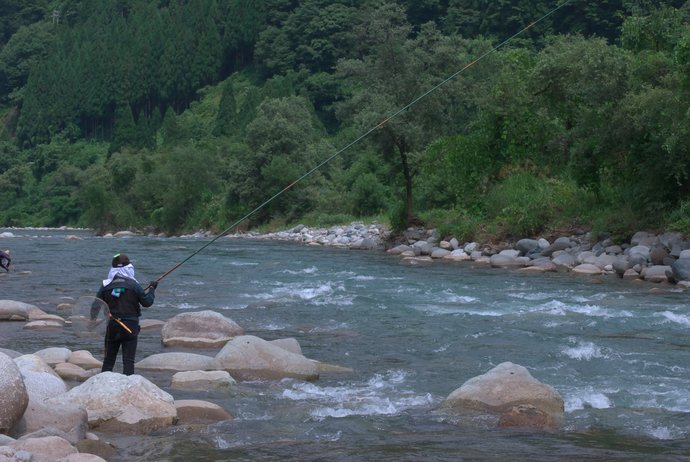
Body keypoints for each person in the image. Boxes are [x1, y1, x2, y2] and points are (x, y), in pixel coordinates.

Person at [96, 253, 158, 375]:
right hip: (130, 326)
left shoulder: (105, 286)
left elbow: (95, 306)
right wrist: (152, 289)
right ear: (129, 268)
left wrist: (92, 320)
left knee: (108, 361)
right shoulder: (134, 285)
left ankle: (103, 385)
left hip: (112, 326)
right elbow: (147, 302)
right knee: (128, 361)